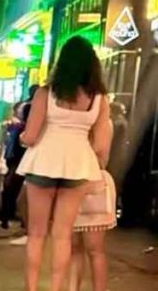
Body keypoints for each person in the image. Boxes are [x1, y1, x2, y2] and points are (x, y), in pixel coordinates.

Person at [17, 36, 110, 291]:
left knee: (36, 234)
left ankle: (31, 288)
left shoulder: (45, 93)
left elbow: (31, 136)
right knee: (63, 235)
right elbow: (101, 144)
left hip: (43, 162)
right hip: (78, 165)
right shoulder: (99, 99)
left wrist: (22, 138)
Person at [67, 108, 115, 291]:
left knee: (94, 249)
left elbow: (100, 157)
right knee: (76, 248)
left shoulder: (102, 123)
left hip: (92, 184)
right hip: (73, 185)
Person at [0, 85, 38, 236]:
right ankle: (16, 221)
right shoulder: (27, 111)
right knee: (18, 190)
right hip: (23, 157)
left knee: (13, 189)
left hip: (19, 157)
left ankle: (9, 220)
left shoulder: (23, 114)